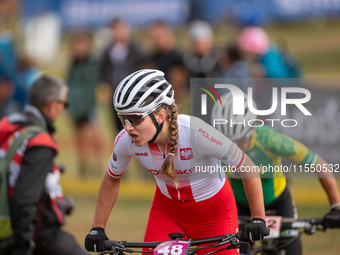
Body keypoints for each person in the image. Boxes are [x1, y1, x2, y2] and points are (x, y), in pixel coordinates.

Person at [85, 69, 268, 254]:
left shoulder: (197, 133)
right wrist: (97, 227)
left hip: (215, 214)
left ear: (161, 116)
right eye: (123, 118)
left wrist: (258, 219)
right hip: (167, 212)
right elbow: (112, 179)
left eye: (135, 118)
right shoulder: (126, 140)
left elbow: (247, 167)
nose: (127, 127)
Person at [211, 92, 340, 255]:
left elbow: (319, 163)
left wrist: (336, 206)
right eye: (228, 140)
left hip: (278, 203)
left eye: (239, 139)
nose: (234, 147)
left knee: (293, 250)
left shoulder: (269, 139)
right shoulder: (214, 143)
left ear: (251, 128)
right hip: (240, 206)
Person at [0, 75, 88, 255]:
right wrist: (23, 246)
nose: (64, 108)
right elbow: (25, 198)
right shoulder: (40, 142)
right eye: (64, 103)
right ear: (52, 104)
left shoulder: (10, 125)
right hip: (40, 236)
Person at [65, 34, 103, 176]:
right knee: (79, 139)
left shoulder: (94, 64)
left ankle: (97, 167)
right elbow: (69, 85)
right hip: (75, 107)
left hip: (90, 107)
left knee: (94, 138)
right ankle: (84, 167)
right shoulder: (73, 65)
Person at [98, 18, 144, 133]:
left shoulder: (134, 49)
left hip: (132, 93)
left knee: (135, 124)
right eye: (114, 29)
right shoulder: (108, 51)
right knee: (118, 126)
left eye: (120, 29)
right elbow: (103, 71)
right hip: (115, 93)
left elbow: (143, 67)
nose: (117, 32)